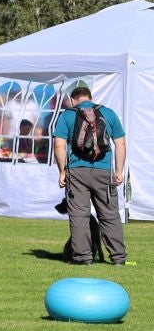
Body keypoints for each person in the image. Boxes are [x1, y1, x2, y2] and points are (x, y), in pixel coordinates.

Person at [54, 85, 127, 266]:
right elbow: (120, 144)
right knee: (109, 215)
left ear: (73, 100)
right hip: (104, 171)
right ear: (90, 98)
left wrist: (62, 171)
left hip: (77, 172)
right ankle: (118, 258)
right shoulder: (108, 113)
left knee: (79, 216)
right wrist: (118, 171)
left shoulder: (67, 116)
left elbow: (59, 146)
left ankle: (83, 258)